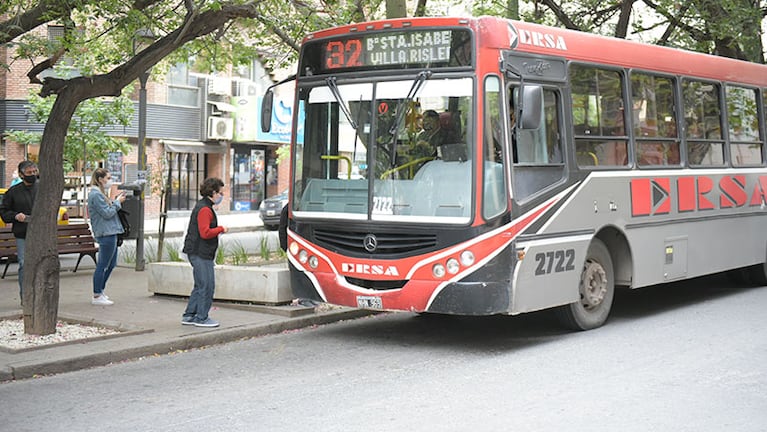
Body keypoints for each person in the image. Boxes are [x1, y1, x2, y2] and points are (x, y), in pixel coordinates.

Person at [181, 177, 229, 328]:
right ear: (213, 193)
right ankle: (201, 317)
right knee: (207, 285)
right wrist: (221, 229)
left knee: (200, 284)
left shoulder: (203, 207)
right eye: (220, 193)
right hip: (201, 252)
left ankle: (189, 315)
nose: (222, 196)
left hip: (197, 251)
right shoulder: (205, 209)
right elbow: (205, 232)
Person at [0, 161, 39, 304]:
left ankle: (39, 295)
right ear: (22, 175)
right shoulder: (13, 192)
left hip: (40, 233)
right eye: (29, 173)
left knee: (41, 264)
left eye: (35, 172)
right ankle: (26, 297)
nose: (33, 175)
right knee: (24, 263)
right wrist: (16, 216)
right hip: (22, 233)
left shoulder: (42, 188)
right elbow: (4, 212)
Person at [87, 168, 126, 306]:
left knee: (111, 264)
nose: (110, 181)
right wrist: (117, 202)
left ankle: (100, 290)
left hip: (110, 231)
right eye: (108, 178)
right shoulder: (96, 195)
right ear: (99, 179)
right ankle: (97, 294)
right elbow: (107, 213)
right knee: (103, 264)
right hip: (106, 233)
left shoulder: (101, 193)